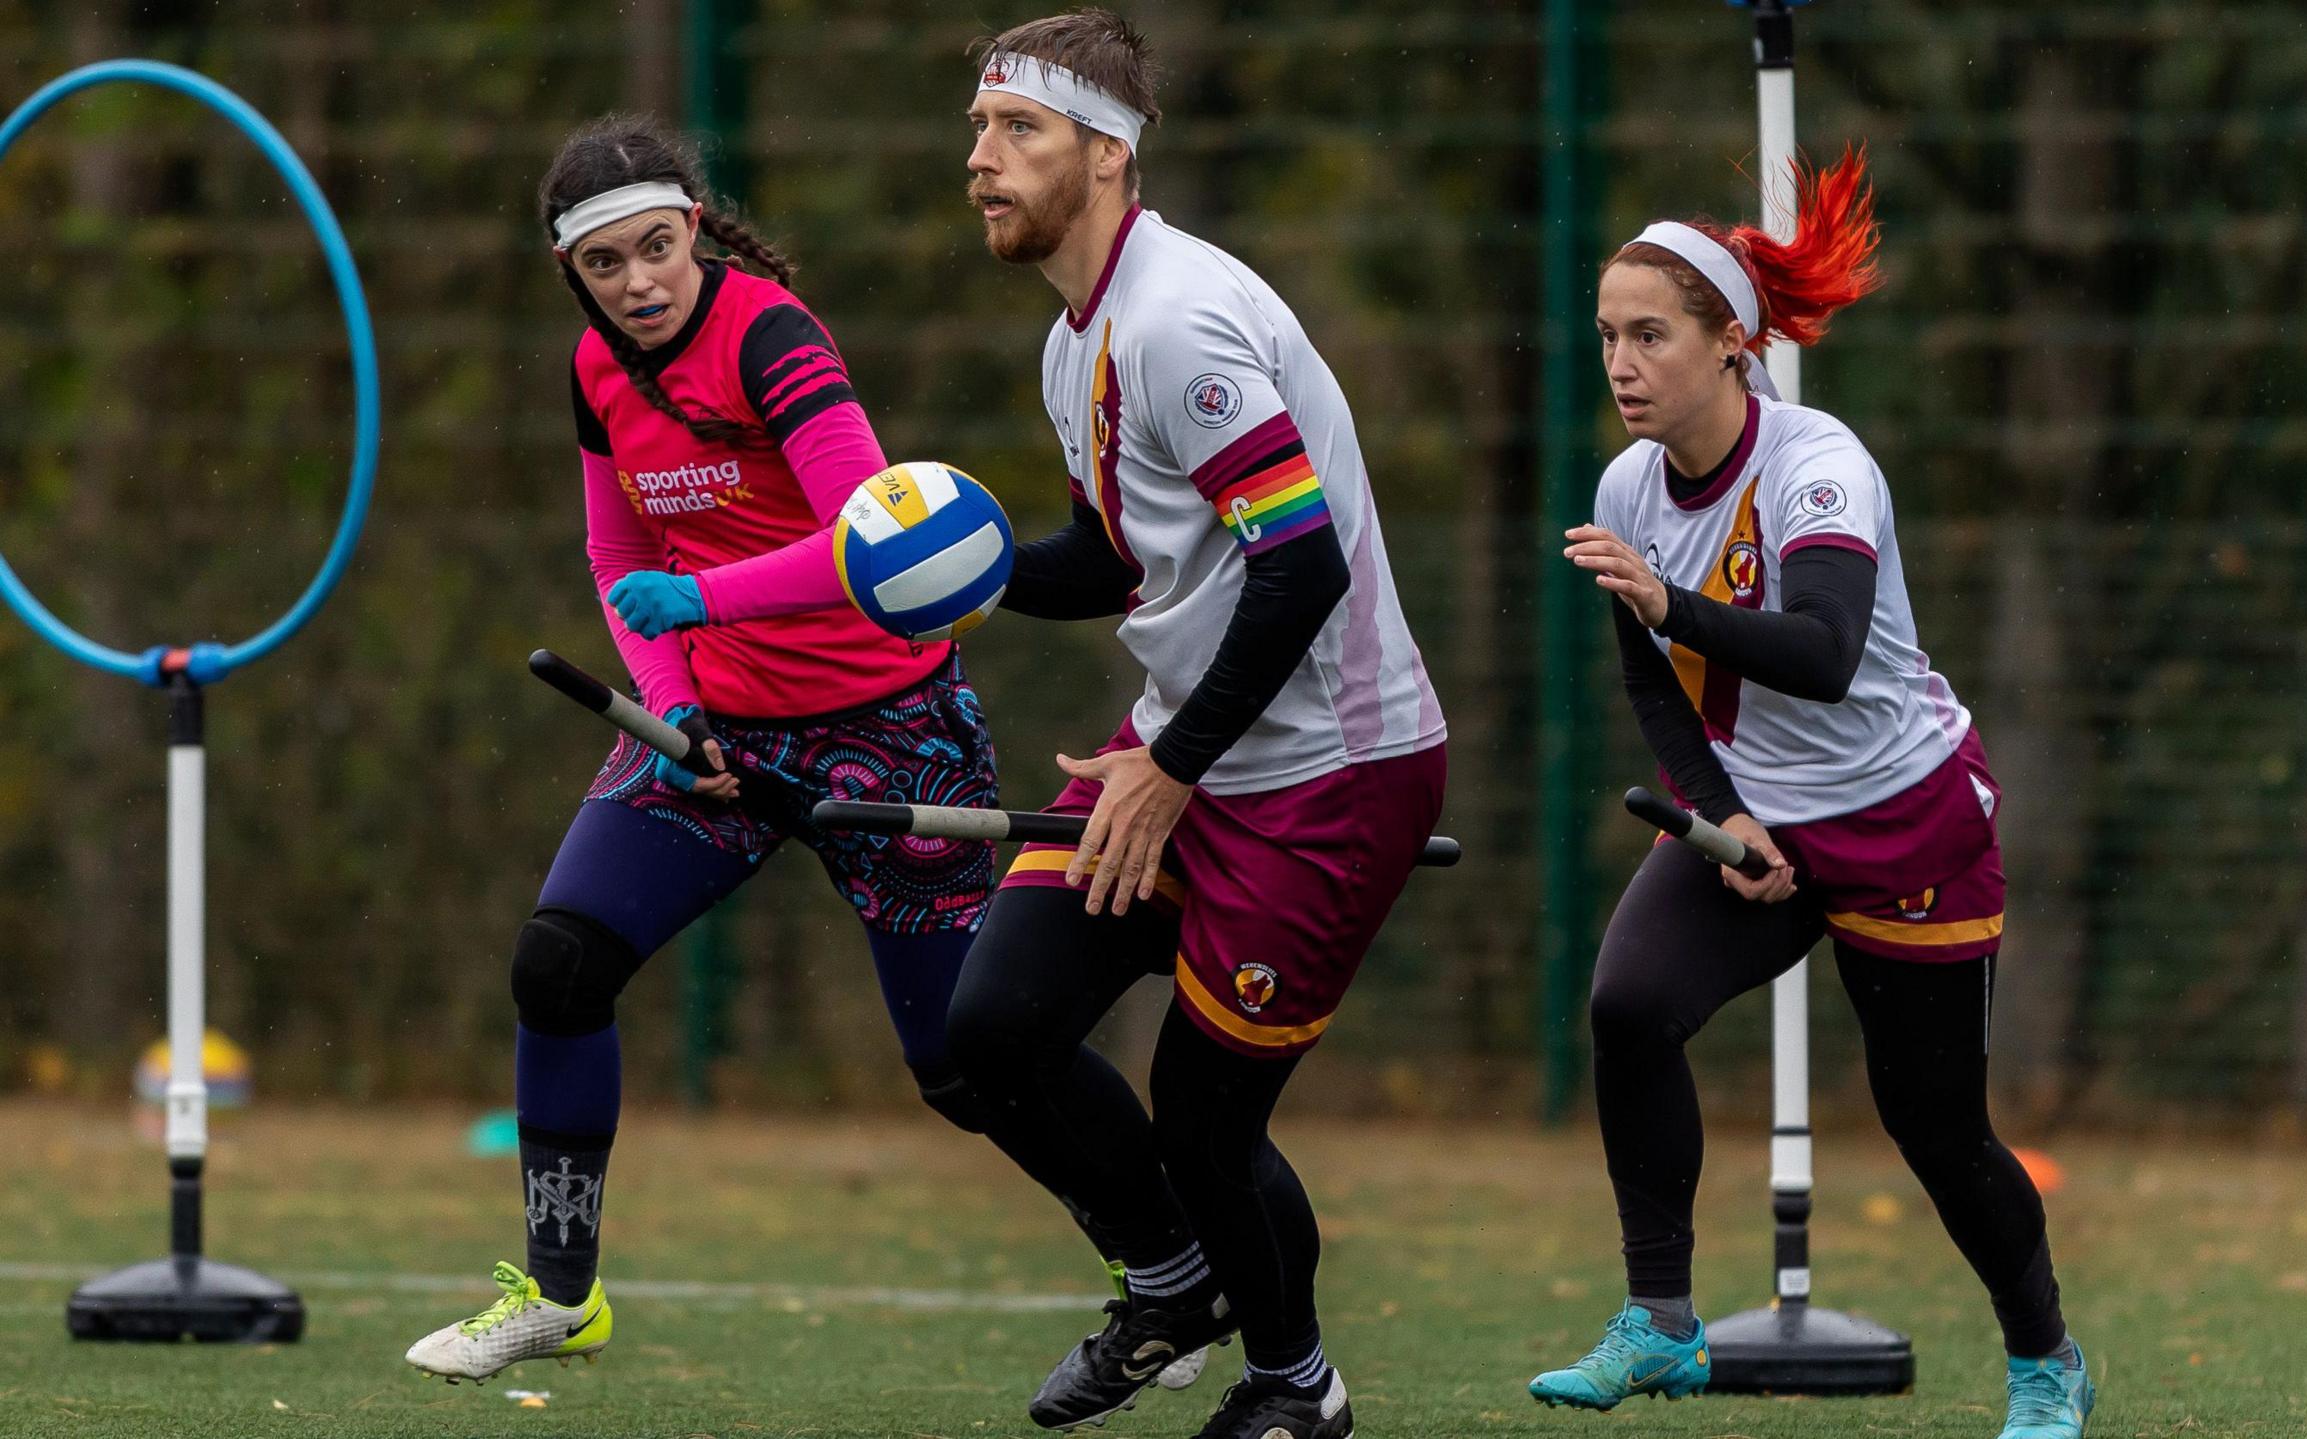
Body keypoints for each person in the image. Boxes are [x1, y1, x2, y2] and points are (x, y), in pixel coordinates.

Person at [403, 115, 1005, 1384]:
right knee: (558, 965)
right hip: (716, 721)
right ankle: (560, 1295)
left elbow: (867, 532)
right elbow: (622, 556)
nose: (638, 283)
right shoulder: (594, 365)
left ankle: (1166, 1267)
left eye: (658, 248)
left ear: (697, 229)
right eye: (605, 264)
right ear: (573, 273)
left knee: (968, 1063)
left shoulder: (773, 332)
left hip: (885, 724)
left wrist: (712, 600)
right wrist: (676, 716)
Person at [1524, 147, 2096, 1439]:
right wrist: (1719, 813)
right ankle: (1660, 1321)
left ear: (1733, 344)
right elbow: (1660, 685)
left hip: (1908, 816)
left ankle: (2045, 1360)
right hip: (1759, 808)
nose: (1621, 360)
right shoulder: (1626, 485)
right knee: (1628, 1004)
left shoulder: (1816, 465)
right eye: (1609, 333)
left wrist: (1676, 598)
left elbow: (1828, 655)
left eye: (1652, 334)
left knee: (1937, 1127)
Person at [949, 13, 1445, 1438]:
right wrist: (963, 568)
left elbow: (1303, 564)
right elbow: (1123, 559)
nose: (981, 161)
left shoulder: (1177, 319)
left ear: (1106, 156)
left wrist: (1172, 763)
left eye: (1017, 132)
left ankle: (1298, 1384)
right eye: (977, 132)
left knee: (1206, 1115)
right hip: (1197, 738)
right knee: (992, 1027)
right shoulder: (1077, 340)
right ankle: (1174, 1281)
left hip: (1329, 771)